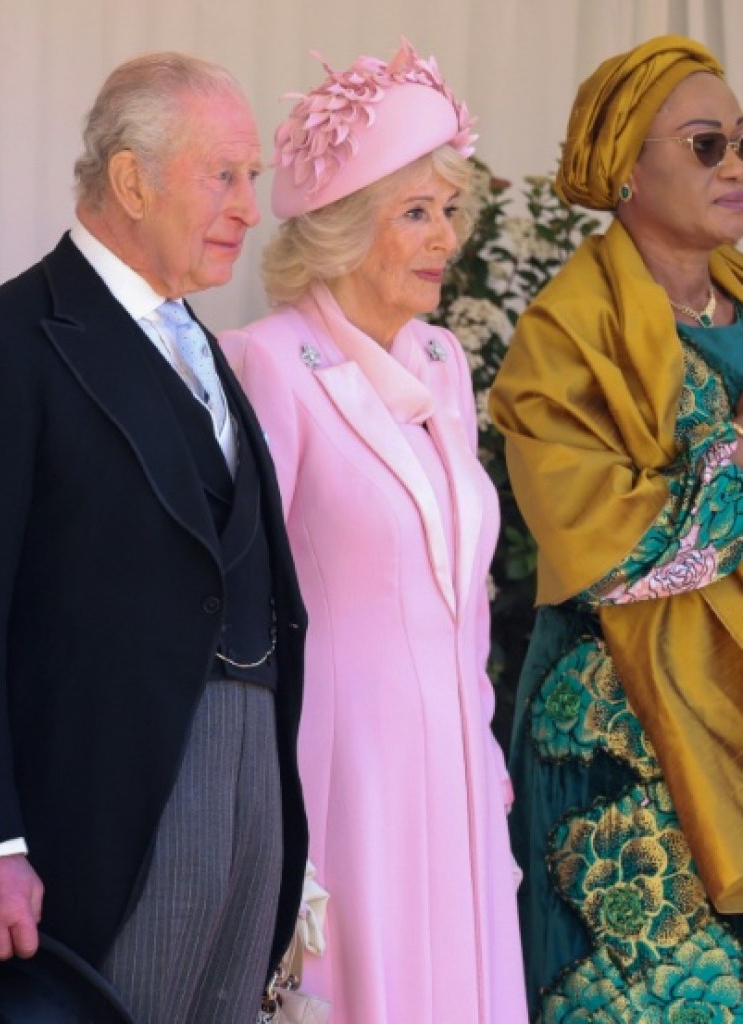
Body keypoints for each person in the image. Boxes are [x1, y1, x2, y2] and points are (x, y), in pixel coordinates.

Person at [0, 52, 308, 1024]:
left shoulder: (203, 346)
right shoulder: (0, 345)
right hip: (99, 809)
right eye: (225, 175)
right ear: (131, 180)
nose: (250, 208)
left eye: (250, 178)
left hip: (248, 780)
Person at [220, 39, 527, 1024]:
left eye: (449, 211)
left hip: (458, 768)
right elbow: (243, 602)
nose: (445, 237)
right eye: (415, 213)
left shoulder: (440, 359)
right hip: (345, 775)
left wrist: (483, 752)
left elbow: (462, 591)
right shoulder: (268, 362)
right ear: (345, 229)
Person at [490, 35, 743, 1022]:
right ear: (624, 170)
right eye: (706, 144)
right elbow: (603, 541)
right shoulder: (562, 335)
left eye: (742, 141)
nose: (735, 165)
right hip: (624, 741)